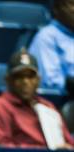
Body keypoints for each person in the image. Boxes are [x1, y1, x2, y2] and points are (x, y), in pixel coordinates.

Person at [0, 49, 74, 149]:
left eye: (30, 77)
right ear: (8, 80)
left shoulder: (48, 107)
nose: (25, 82)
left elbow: (68, 143)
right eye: (19, 77)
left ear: (38, 80)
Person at [29, 0, 74, 131]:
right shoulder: (47, 37)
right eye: (70, 4)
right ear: (56, 10)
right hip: (63, 102)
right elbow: (50, 83)